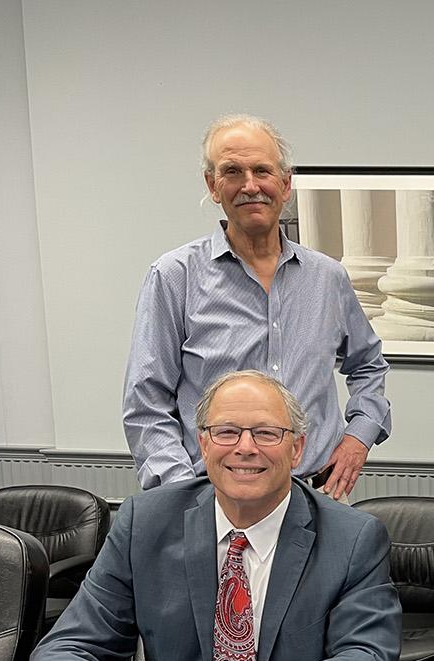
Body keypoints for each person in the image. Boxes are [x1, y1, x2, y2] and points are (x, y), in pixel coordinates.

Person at [27, 371, 402, 661]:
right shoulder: (146, 523)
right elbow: (65, 649)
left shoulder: (352, 537)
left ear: (297, 449)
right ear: (204, 445)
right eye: (226, 432)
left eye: (266, 433)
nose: (245, 448)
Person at [123, 113, 391, 499]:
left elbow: (368, 364)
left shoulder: (327, 278)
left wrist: (358, 437)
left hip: (317, 495)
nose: (250, 185)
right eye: (232, 171)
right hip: (211, 498)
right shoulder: (173, 276)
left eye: (262, 171)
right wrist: (181, 493)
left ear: (285, 184)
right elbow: (146, 402)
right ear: (212, 185)